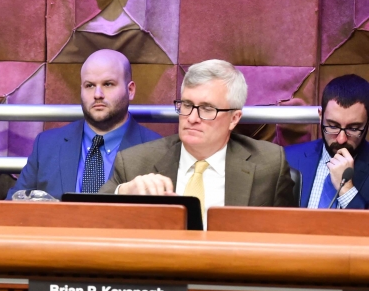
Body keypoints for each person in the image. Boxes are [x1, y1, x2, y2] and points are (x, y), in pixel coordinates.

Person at [101, 60, 295, 215]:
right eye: (186, 105)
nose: (192, 118)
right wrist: (123, 193)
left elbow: (287, 237)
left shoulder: (268, 165)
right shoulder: (136, 163)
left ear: (233, 119)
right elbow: (91, 218)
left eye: (207, 109)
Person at [6, 49, 161, 199]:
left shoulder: (157, 152)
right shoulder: (47, 146)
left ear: (131, 90)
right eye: (89, 85)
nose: (97, 95)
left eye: (108, 84)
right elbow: (15, 208)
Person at [284, 74, 369, 209]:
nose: (341, 139)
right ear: (320, 116)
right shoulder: (287, 159)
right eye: (333, 126)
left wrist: (347, 190)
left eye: (353, 129)